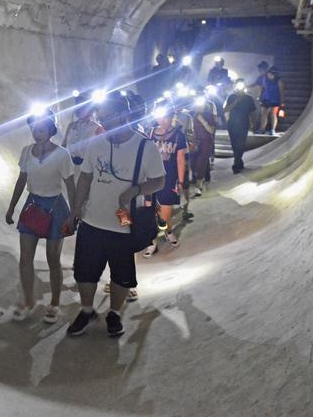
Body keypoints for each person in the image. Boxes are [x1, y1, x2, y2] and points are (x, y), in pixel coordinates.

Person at [65, 94, 165, 338]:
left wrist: (137, 190)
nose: (107, 125)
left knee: (121, 275)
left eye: (111, 119)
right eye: (103, 119)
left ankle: (114, 313)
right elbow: (86, 177)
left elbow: (159, 180)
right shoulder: (96, 143)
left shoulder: (145, 147)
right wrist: (76, 210)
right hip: (92, 221)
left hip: (124, 225)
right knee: (84, 272)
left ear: (125, 115)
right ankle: (87, 310)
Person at [4, 107, 76, 324]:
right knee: (25, 258)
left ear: (51, 129)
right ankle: (28, 301)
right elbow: (21, 180)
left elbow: (70, 187)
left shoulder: (62, 155)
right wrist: (11, 207)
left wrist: (73, 214)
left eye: (42, 129)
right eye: (34, 129)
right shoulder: (27, 151)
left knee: (53, 258)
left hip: (55, 207)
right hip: (33, 205)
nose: (37, 133)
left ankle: (54, 303)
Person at [144, 103, 188, 257]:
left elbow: (180, 159)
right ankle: (152, 242)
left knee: (165, 214)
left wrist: (181, 182)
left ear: (172, 117)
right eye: (160, 116)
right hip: (150, 179)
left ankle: (168, 231)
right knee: (149, 212)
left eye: (167, 116)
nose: (163, 120)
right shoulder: (149, 134)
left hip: (169, 178)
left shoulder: (178, 135)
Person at [225, 80, 256, 173]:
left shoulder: (249, 99)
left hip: (244, 124)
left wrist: (252, 122)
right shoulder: (231, 97)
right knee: (234, 144)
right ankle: (238, 161)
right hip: (232, 124)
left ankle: (237, 162)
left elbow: (253, 112)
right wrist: (236, 101)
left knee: (241, 144)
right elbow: (226, 109)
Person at [62, 96, 103, 166]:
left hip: (86, 165)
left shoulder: (97, 127)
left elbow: (100, 150)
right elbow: (64, 145)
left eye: (83, 107)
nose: (79, 109)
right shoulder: (71, 125)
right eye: (78, 106)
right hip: (69, 164)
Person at [190, 95, 217, 196]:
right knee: (193, 164)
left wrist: (202, 121)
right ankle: (199, 180)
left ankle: (198, 185)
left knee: (202, 163)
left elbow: (211, 130)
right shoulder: (192, 115)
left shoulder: (208, 115)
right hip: (195, 143)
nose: (199, 107)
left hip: (205, 142)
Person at [258, 67, 287, 135]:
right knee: (264, 114)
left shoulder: (279, 81)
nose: (269, 74)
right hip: (266, 98)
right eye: (268, 73)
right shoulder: (265, 79)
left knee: (273, 114)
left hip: (275, 99)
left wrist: (282, 101)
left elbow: (281, 91)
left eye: (270, 73)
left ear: (274, 74)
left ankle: (273, 130)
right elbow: (262, 88)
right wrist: (260, 96)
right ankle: (262, 129)